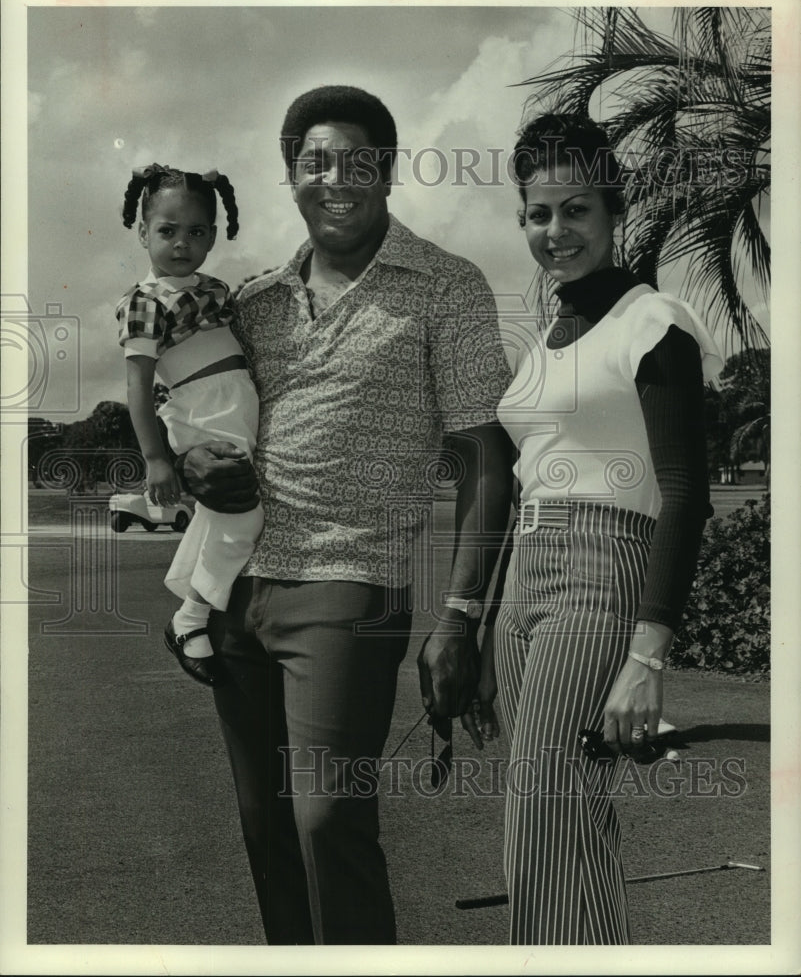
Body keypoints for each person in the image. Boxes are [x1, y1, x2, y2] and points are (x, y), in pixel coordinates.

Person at [175, 85, 514, 945]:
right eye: (315, 162)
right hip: (238, 588)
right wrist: (194, 470)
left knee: (327, 821)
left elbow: (485, 458)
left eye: (356, 163)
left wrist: (462, 616)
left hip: (349, 586)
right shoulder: (251, 300)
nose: (335, 179)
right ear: (290, 176)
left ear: (388, 173)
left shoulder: (446, 285)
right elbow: (210, 425)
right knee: (267, 829)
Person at [474, 113, 724, 944]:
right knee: (567, 825)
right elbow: (518, 479)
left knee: (540, 813)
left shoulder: (655, 323)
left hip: (602, 567)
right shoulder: (541, 339)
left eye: (576, 210)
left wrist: (646, 658)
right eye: (539, 214)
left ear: (612, 214)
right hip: (522, 585)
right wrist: (477, 628)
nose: (556, 231)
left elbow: (684, 492)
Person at [117, 165, 264, 687]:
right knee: (242, 518)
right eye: (167, 231)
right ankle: (189, 619)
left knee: (219, 517)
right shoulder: (145, 302)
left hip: (236, 405)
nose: (182, 243)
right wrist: (157, 459)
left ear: (213, 236)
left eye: (197, 231)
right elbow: (138, 385)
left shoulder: (217, 289)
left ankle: (189, 593)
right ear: (143, 232)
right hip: (201, 410)